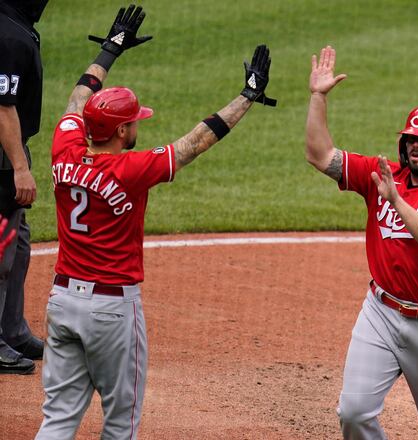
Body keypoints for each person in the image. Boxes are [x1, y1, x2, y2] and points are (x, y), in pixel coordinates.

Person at [35, 4, 276, 438]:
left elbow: (77, 98)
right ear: (124, 132)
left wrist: (109, 50)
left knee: (57, 418)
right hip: (110, 309)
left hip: (62, 299)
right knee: (120, 420)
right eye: (134, 122)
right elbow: (197, 140)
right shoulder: (130, 170)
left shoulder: (65, 147)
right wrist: (249, 95)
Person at [306, 45, 418, 440]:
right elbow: (319, 154)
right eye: (411, 137)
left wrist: (397, 201)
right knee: (353, 413)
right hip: (380, 313)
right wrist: (318, 97)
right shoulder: (384, 174)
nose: (415, 145)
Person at [0, 0, 49, 375]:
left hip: (11, 147)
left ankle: (12, 329)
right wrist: (19, 167)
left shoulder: (14, 24)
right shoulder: (8, 35)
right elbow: (2, 107)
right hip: (4, 153)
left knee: (19, 242)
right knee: (2, 248)